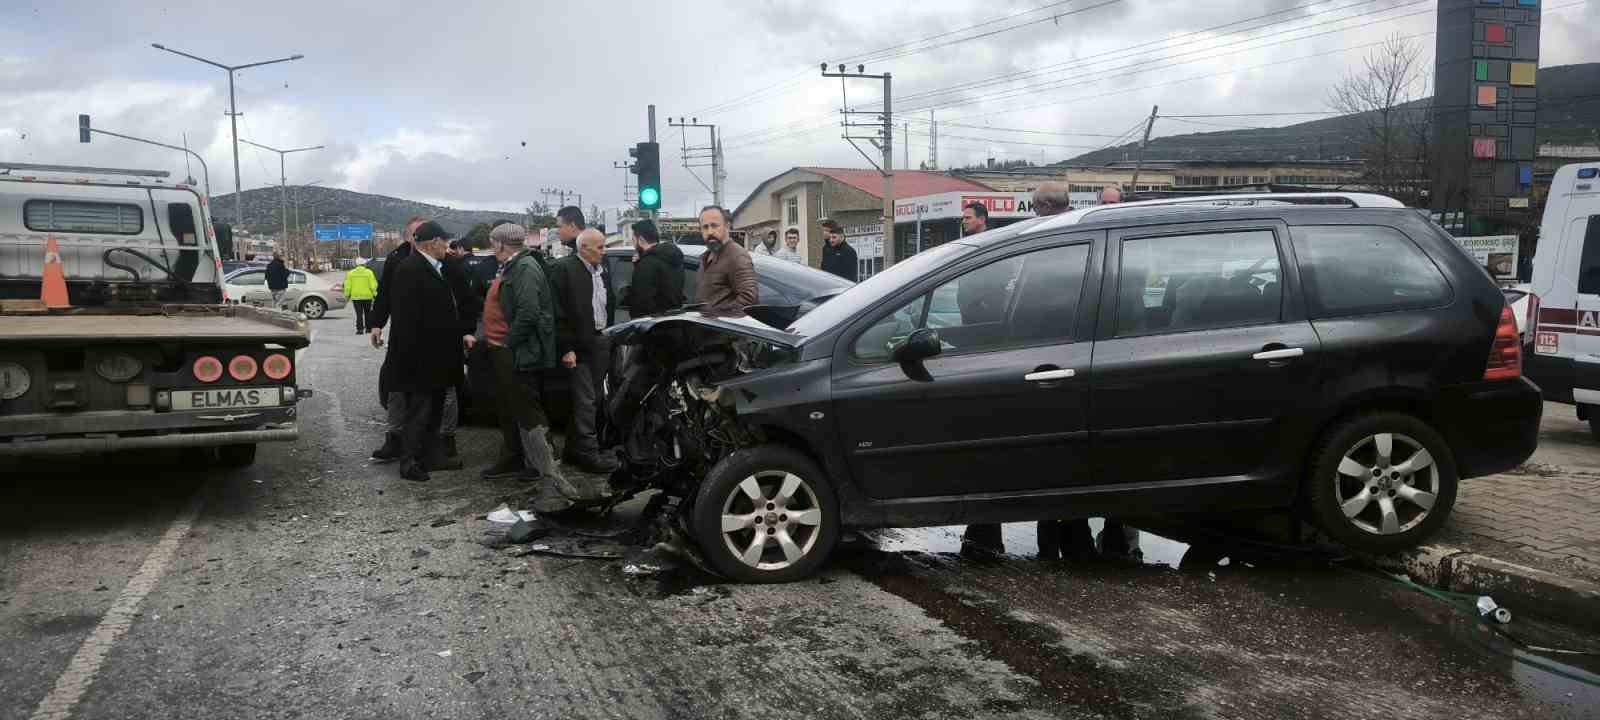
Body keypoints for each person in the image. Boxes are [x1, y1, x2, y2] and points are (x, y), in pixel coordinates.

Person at [478, 224, 583, 508]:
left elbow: (528, 312)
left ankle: (549, 472)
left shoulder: (524, 268)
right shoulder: (513, 266)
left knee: (529, 410)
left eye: (492, 243)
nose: (491, 247)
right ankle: (519, 460)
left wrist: (509, 343)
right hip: (506, 348)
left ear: (500, 245)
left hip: (517, 350)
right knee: (513, 406)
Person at [385, 221, 475, 482]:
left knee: (435, 410)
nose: (447, 246)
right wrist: (415, 358)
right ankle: (409, 462)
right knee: (419, 412)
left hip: (441, 356)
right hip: (421, 359)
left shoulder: (437, 267)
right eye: (444, 242)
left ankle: (431, 457)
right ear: (433, 242)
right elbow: (406, 320)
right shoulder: (410, 269)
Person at [549, 228, 620, 478]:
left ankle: (575, 448)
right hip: (578, 346)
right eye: (600, 247)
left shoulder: (602, 269)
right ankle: (587, 452)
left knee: (596, 398)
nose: (604, 251)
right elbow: (558, 313)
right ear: (584, 248)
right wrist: (566, 347)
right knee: (586, 400)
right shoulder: (564, 269)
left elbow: (605, 302)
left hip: (600, 340)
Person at [367, 216, 427, 463]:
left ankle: (434, 441)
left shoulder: (441, 260)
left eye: (422, 234)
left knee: (430, 391)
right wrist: (376, 324)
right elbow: (384, 294)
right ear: (407, 236)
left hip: (430, 335)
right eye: (414, 234)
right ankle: (394, 438)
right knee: (395, 386)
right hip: (401, 335)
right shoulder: (396, 259)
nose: (418, 239)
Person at [695, 205, 757, 313]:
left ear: (727, 227)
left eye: (714, 226)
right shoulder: (705, 257)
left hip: (721, 327)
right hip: (705, 326)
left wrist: (717, 316)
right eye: (705, 227)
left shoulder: (737, 256)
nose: (710, 232)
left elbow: (749, 300)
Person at [625, 219, 685, 317]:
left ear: (641, 240)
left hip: (654, 328)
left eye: (633, 240)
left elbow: (641, 304)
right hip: (674, 323)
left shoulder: (647, 264)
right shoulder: (674, 259)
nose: (633, 244)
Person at [344, 260, 378, 334]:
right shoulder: (369, 272)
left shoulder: (351, 273)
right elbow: (373, 285)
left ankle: (360, 329)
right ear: (364, 264)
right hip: (367, 296)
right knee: (368, 313)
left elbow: (348, 286)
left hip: (356, 297)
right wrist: (375, 294)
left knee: (359, 314)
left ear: (356, 265)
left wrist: (347, 295)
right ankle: (368, 329)